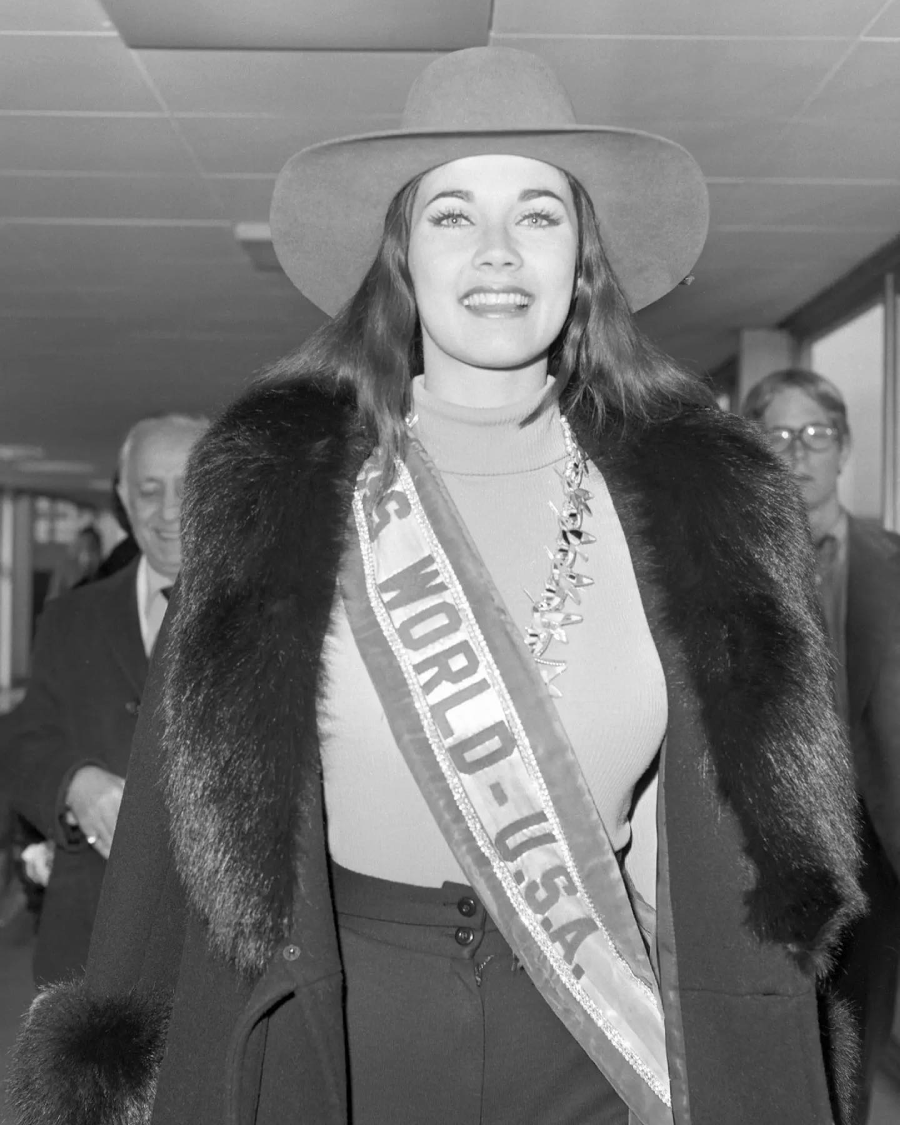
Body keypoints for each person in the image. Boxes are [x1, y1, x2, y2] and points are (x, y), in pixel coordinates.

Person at [10, 48, 863, 1125]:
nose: (498, 253)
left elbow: (734, 848)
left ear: (583, 256)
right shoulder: (282, 493)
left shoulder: (710, 509)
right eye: (454, 215)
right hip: (335, 1037)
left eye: (540, 216)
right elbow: (169, 852)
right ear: (402, 255)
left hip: (602, 1033)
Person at [742, 367, 900, 1123]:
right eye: (777, 435)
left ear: (844, 450)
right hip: (767, 841)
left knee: (856, 1035)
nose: (798, 452)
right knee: (770, 1037)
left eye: (816, 435)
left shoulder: (894, 566)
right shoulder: (726, 569)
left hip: (878, 846)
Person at [0, 412, 208, 984]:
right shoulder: (72, 618)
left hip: (218, 952)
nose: (169, 511)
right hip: (89, 937)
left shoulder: (274, 615)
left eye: (188, 487)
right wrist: (74, 783)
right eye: (148, 490)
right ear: (121, 496)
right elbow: (21, 738)